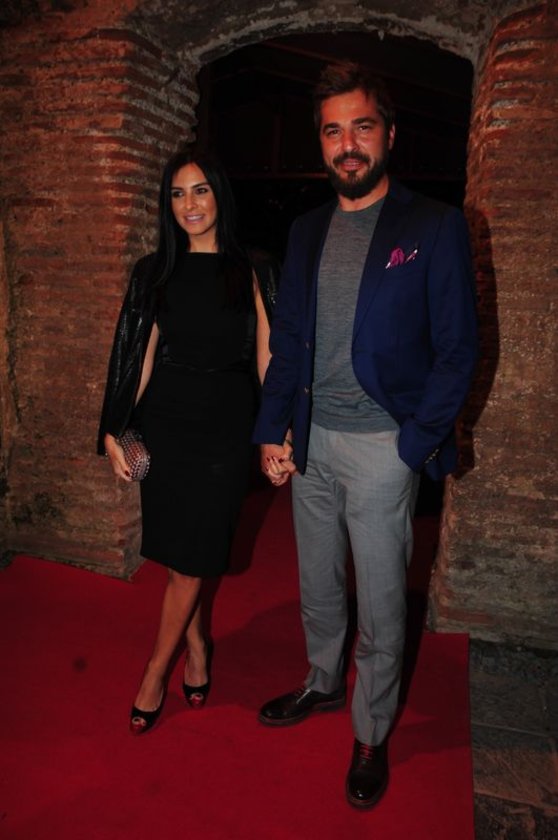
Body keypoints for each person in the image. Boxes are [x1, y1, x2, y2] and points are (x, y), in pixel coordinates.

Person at [252, 62, 478, 809]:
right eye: (332, 131)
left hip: (385, 447)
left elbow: (458, 351)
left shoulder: (433, 225)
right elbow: (290, 340)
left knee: (381, 605)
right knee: (317, 584)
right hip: (311, 441)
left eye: (362, 127)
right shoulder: (306, 229)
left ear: (389, 134)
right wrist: (273, 429)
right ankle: (322, 681)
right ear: (320, 142)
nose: (347, 144)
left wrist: (414, 444)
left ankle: (372, 729)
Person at [98, 148, 277, 735]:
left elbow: (268, 358)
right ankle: (197, 645)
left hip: (225, 427)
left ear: (220, 194)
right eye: (177, 194)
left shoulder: (253, 267)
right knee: (183, 556)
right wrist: (114, 427)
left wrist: (274, 431)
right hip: (166, 423)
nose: (189, 204)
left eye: (200, 190)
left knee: (193, 556)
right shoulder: (153, 270)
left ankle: (155, 671)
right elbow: (139, 355)